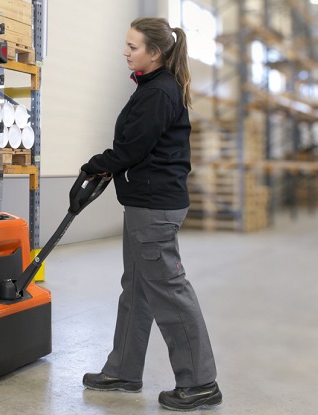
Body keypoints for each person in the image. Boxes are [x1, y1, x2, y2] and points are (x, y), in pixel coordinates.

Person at [80, 17, 221, 412]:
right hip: (145, 203)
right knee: (138, 288)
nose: (125, 52)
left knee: (170, 292)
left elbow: (134, 148)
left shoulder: (159, 92)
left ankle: (200, 382)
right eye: (126, 45)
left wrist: (96, 164)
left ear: (155, 53)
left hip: (155, 207)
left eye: (133, 47)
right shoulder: (152, 87)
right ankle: (124, 370)